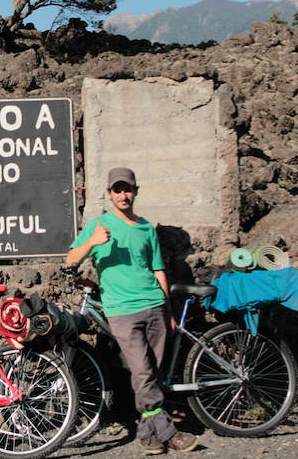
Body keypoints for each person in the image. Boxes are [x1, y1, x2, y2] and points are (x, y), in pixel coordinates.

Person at [66, 167, 199, 455]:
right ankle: (169, 432)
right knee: (141, 371)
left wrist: (167, 309)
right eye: (117, 190)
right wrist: (92, 242)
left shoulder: (146, 228)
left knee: (152, 373)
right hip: (122, 310)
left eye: (128, 189)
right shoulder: (98, 225)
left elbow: (158, 270)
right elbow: (70, 259)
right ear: (109, 193)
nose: (123, 194)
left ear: (136, 191)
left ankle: (147, 434)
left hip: (154, 306)